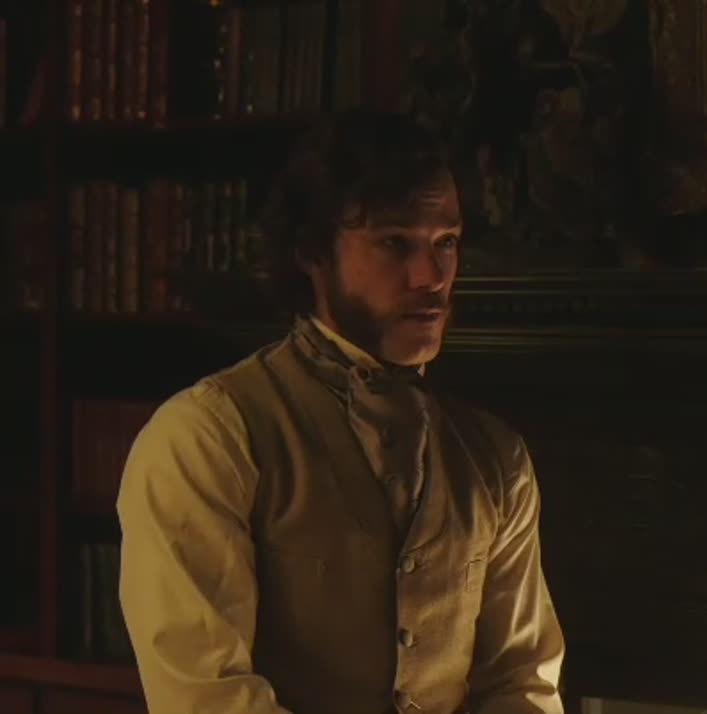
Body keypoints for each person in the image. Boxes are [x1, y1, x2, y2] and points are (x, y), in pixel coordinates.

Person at [117, 111, 565, 714]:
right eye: (394, 243)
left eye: (446, 242)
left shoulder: (494, 457)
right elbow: (208, 699)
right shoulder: (208, 438)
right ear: (311, 252)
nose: (431, 277)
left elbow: (521, 681)